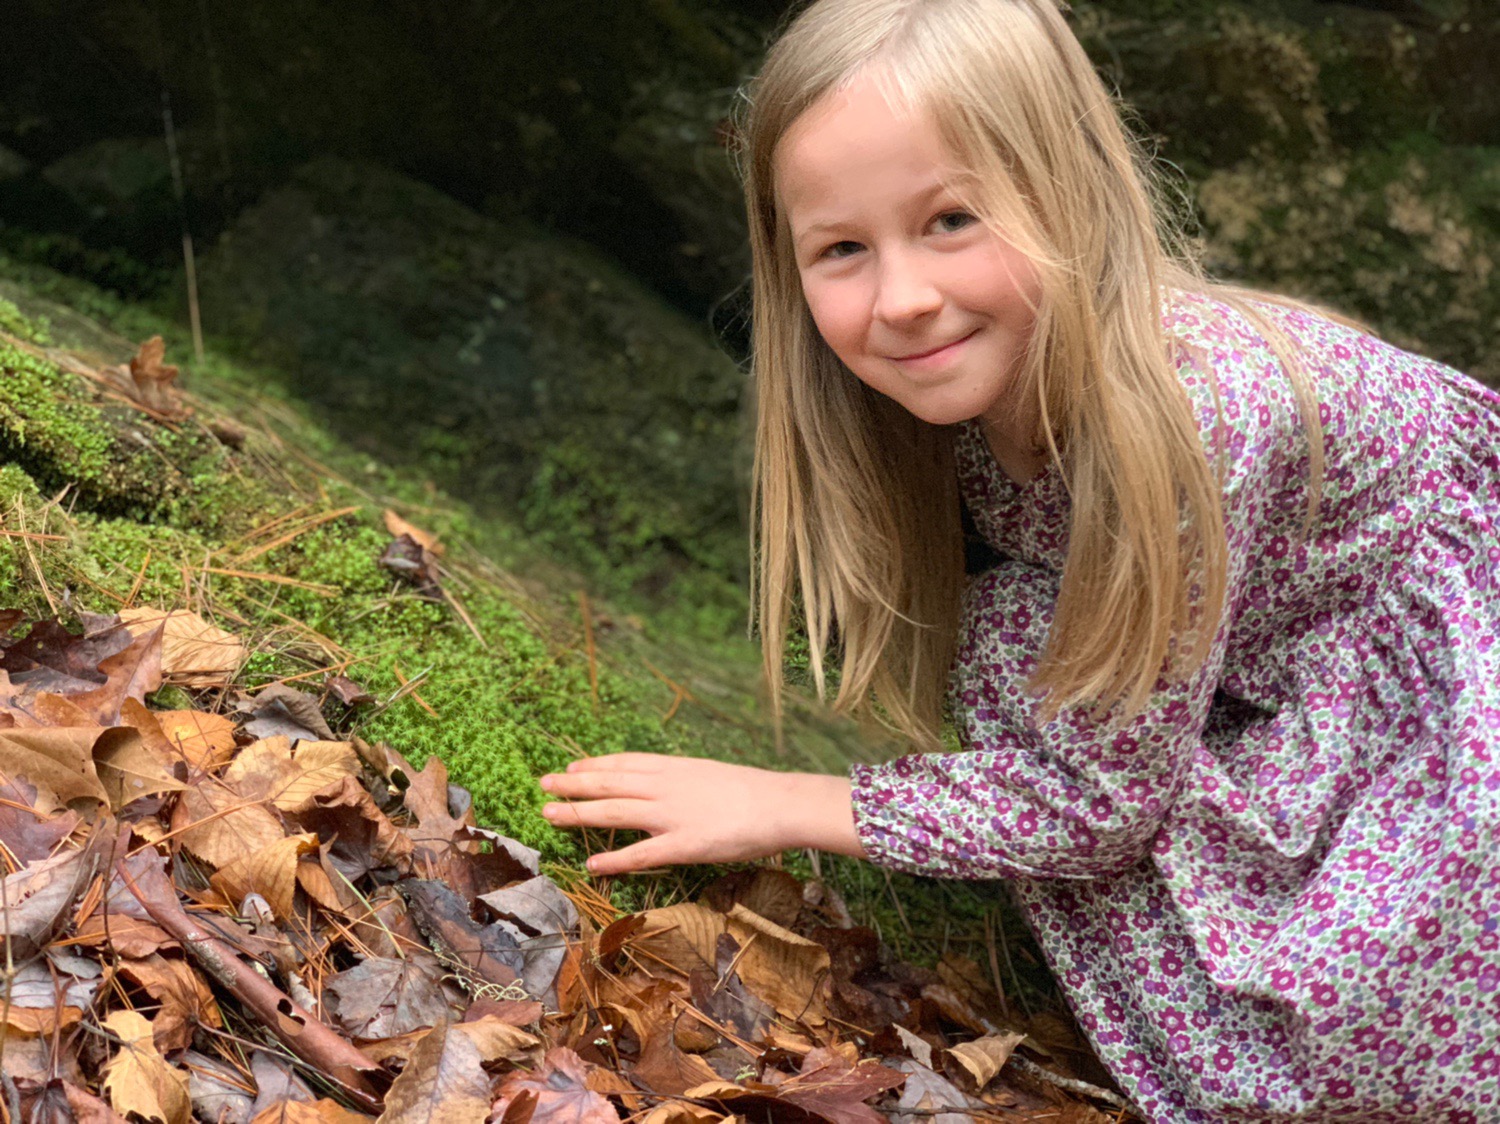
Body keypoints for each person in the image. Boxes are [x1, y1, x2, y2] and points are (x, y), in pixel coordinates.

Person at [537, 0, 1500, 1119]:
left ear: (1066, 192)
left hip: (1451, 695)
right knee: (1011, 647)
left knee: (1348, 1044)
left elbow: (1104, 801)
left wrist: (789, 802)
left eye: (952, 220)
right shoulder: (965, 401)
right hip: (1281, 668)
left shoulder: (1195, 418)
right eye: (843, 249)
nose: (904, 298)